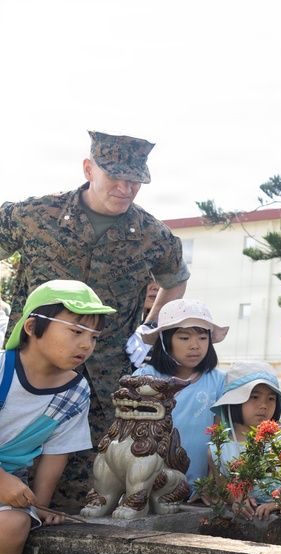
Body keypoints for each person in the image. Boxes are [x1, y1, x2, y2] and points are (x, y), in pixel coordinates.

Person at [0, 131, 189, 507]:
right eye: (115, 176)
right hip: (26, 377)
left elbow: (176, 281)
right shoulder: (35, 216)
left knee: (89, 495)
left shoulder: (154, 236)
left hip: (103, 384)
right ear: (89, 169)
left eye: (135, 180)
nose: (125, 188)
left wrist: (148, 328)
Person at [0, 280, 114, 554]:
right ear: (33, 326)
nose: (86, 344)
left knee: (14, 524)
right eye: (76, 331)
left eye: (93, 336)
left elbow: (56, 451)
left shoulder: (76, 390)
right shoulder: (1, 369)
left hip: (10, 486)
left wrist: (39, 505)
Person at [134, 299, 228, 493]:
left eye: (203, 338)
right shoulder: (144, 379)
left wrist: (213, 482)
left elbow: (221, 436)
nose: (195, 346)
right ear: (164, 340)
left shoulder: (220, 382)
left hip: (201, 491)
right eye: (184, 338)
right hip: (149, 488)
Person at [207, 361, 281, 519]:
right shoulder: (217, 451)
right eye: (254, 396)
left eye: (271, 399)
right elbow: (224, 487)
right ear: (233, 402)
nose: (263, 405)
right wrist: (237, 499)